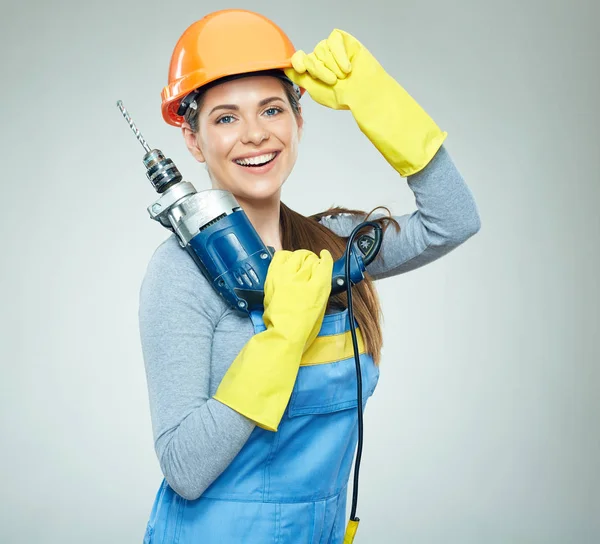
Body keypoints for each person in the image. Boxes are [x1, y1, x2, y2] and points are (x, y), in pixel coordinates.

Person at [138, 8, 480, 544]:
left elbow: (453, 219)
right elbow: (184, 467)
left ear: (299, 120)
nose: (254, 135)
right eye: (226, 117)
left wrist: (379, 103)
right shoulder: (181, 272)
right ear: (193, 139)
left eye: (271, 110)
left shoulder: (333, 247)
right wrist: (279, 342)